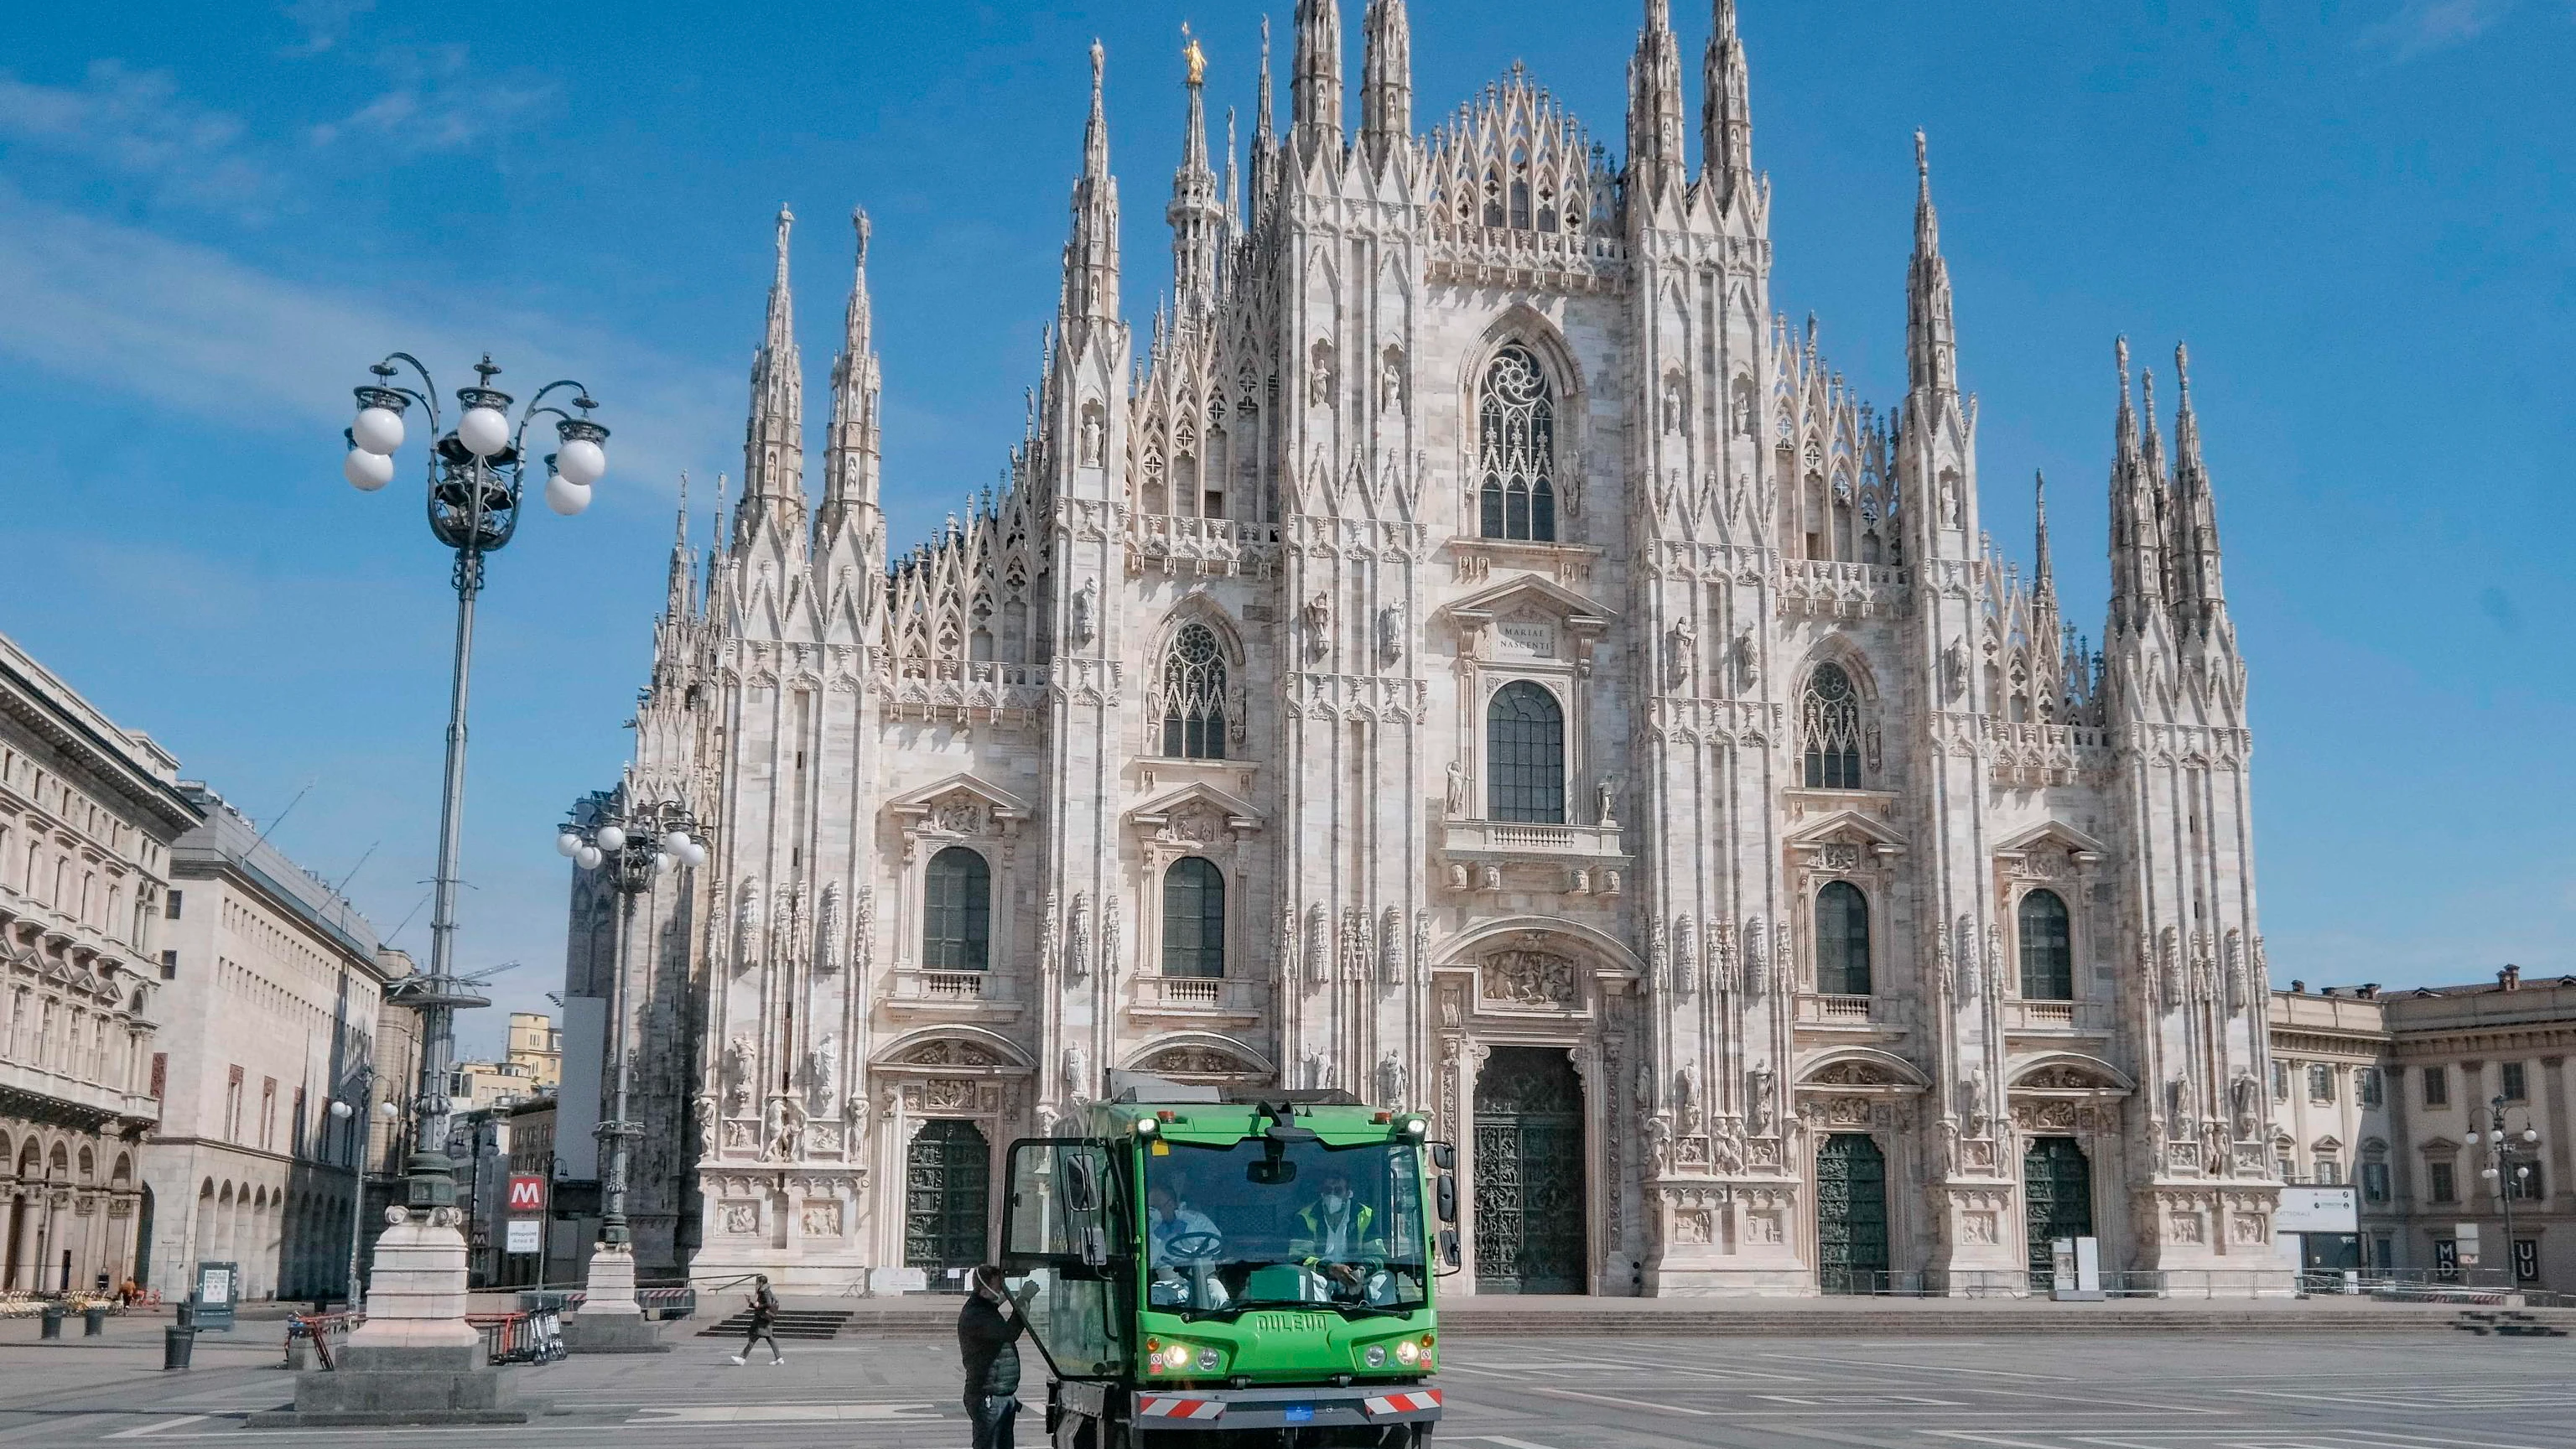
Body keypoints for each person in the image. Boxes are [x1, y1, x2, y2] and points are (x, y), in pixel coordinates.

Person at [959, 1265, 1035, 1449]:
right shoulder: (976, 1315)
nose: (1003, 1290)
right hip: (988, 1395)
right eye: (1000, 1286)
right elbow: (1009, 1333)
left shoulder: (985, 1309)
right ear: (985, 1291)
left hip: (1000, 1393)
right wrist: (1024, 1299)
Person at [1290, 1169, 1383, 1301]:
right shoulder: (1304, 1216)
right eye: (1328, 1190)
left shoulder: (1365, 1214)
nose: (1332, 1195)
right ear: (1322, 1192)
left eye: (1338, 1191)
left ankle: (1384, 1318)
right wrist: (1329, 1268)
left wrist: (1362, 1270)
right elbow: (1298, 1257)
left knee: (1384, 1277)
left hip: (1355, 1275)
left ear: (1348, 1193)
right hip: (1322, 1275)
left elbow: (1378, 1255)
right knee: (1304, 1279)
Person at [1146, 1182, 1226, 1309]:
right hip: (1169, 1280)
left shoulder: (1196, 1219)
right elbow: (1147, 1262)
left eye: (1156, 1208)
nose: (1153, 1213)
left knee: (1218, 1297)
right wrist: (1156, 1238)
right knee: (1153, 1298)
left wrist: (1187, 1230)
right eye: (1150, 1209)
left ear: (1171, 1204)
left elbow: (1216, 1242)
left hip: (1205, 1277)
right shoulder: (1150, 1229)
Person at [730, 1274, 784, 1365]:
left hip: (763, 1319)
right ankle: (779, 1358)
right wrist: (750, 1303)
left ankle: (742, 1358)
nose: (756, 1284)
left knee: (754, 1337)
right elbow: (760, 1306)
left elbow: (768, 1304)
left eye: (757, 1282)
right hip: (765, 1318)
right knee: (769, 1338)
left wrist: (759, 1305)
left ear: (761, 1282)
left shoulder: (764, 1291)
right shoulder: (765, 1291)